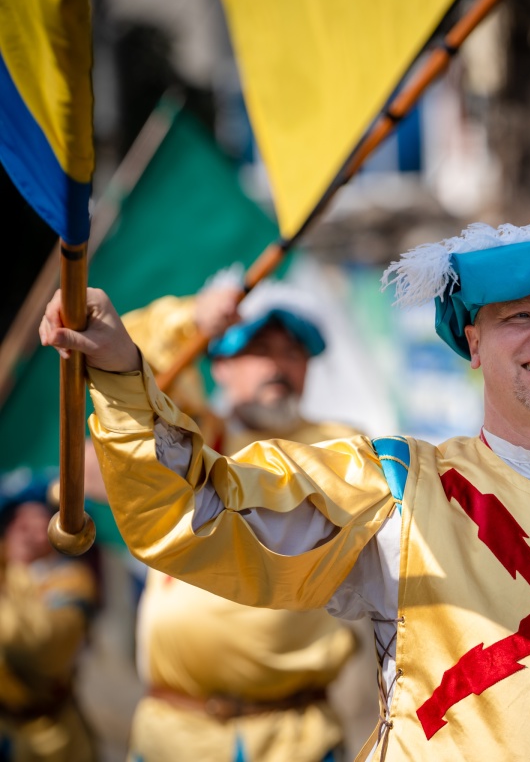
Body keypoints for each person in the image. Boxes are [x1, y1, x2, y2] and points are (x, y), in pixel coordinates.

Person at [41, 217, 530, 761]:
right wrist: (118, 367)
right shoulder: (394, 486)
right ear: (473, 342)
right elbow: (199, 511)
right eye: (520, 317)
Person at [108, 286, 365, 762]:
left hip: (298, 739)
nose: (278, 367)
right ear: (219, 366)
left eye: (294, 352)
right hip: (172, 735)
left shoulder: (341, 448)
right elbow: (124, 368)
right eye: (259, 350)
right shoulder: (194, 434)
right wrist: (192, 320)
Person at [0, 475, 99, 762]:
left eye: (37, 522)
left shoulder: (73, 581)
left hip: (53, 742)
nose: (25, 530)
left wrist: (16, 572)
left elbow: (40, 647)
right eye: (17, 521)